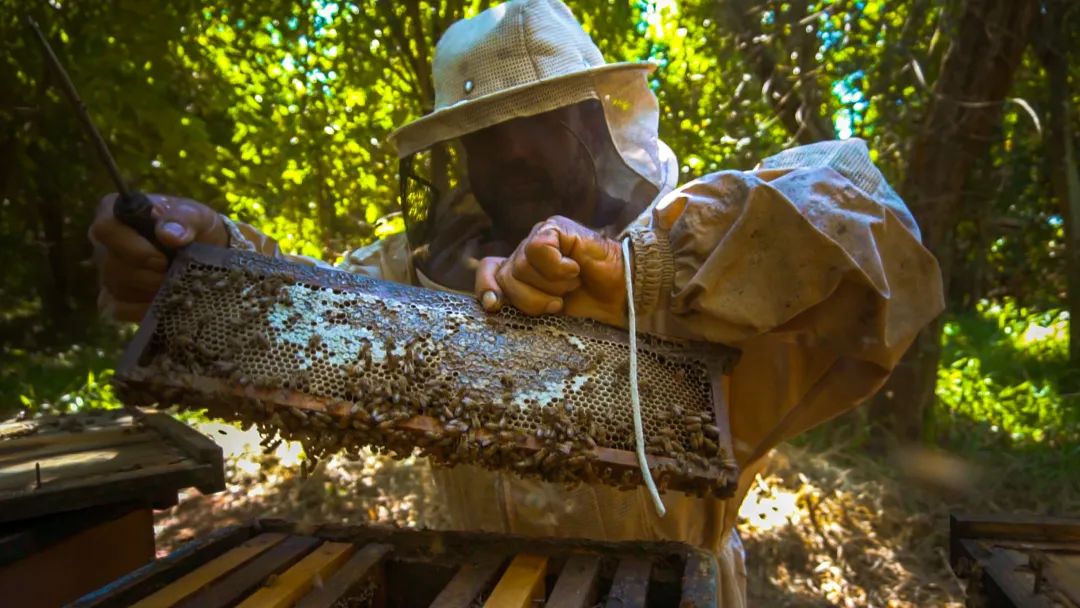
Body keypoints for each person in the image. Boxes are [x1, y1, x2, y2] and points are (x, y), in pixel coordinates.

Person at [88, 0, 944, 604]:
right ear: (454, 153)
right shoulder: (410, 274)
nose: (519, 148)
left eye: (546, 116)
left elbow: (875, 232)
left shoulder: (699, 262)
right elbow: (297, 303)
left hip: (677, 588)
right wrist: (202, 262)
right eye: (488, 130)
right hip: (472, 586)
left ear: (599, 117)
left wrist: (637, 278)